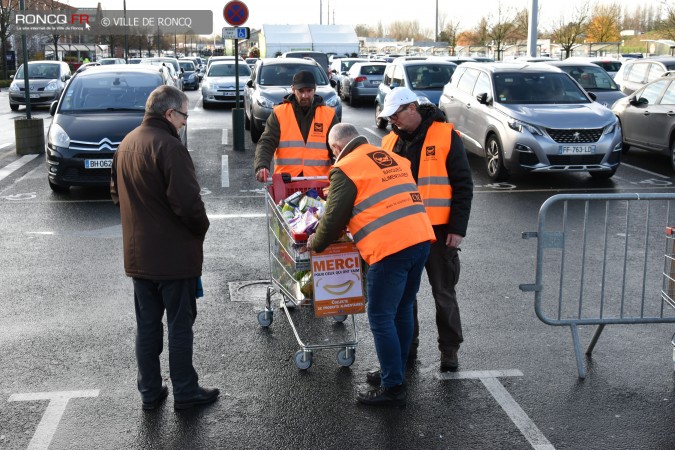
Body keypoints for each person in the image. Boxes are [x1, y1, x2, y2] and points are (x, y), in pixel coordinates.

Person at [307, 123, 435, 406]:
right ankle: (395, 372)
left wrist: (315, 242)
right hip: (420, 239)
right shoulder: (391, 157)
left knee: (380, 316)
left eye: (332, 151)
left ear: (337, 148)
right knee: (402, 308)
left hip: (390, 248)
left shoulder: (346, 167)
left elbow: (333, 220)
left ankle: (393, 388)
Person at [111, 85, 220, 411]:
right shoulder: (170, 148)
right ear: (170, 113)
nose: (185, 122)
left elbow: (116, 195)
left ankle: (150, 390)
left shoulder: (127, 143)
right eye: (184, 115)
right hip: (173, 258)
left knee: (147, 326)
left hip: (138, 256)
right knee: (180, 325)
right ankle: (185, 391)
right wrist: (201, 229)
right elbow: (188, 205)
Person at [373, 86, 473, 379]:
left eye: (396, 115)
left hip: (439, 232)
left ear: (412, 108)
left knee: (443, 293)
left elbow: (463, 185)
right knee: (405, 297)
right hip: (403, 232)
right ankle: (408, 348)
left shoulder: (444, 135)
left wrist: (457, 228)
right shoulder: (390, 142)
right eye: (389, 117)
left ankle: (449, 350)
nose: (393, 122)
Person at [253, 70, 340, 182]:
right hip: (287, 181)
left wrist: (341, 170)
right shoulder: (279, 113)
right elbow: (267, 141)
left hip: (319, 182)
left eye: (309, 91)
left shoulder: (328, 115)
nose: (305, 95)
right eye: (301, 91)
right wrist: (262, 166)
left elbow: (338, 147)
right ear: (293, 89)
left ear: (315, 89)